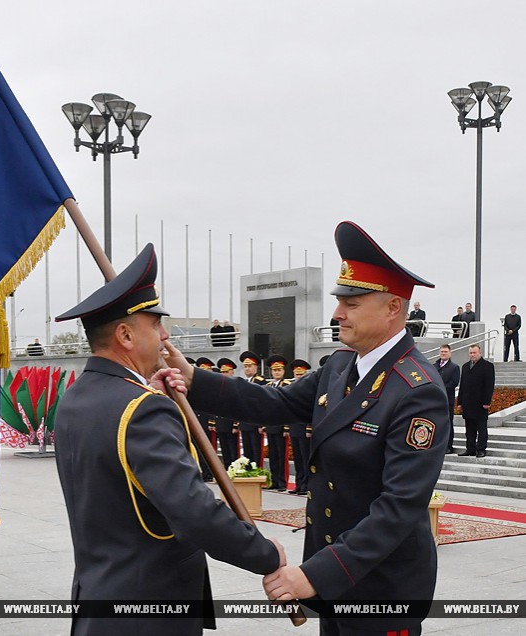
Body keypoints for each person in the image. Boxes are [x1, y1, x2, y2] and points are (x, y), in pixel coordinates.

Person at [166, 221, 449, 636]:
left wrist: (316, 574)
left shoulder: (417, 391)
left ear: (392, 308)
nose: (337, 313)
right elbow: (275, 403)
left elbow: (399, 507)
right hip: (335, 582)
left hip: (381, 589)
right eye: (339, 301)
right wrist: (193, 379)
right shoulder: (339, 366)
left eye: (352, 303)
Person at [53, 244, 283, 636]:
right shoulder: (142, 408)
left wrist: (149, 394)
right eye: (154, 324)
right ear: (125, 334)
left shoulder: (77, 396)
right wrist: (263, 553)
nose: (164, 335)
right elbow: (193, 512)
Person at [458, 343, 495, 458]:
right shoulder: (465, 366)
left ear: (480, 353)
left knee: (481, 428)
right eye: (471, 353)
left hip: (480, 403)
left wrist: (487, 402)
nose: (472, 355)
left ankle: (481, 449)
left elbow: (489, 385)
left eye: (474, 352)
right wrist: (459, 402)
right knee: (469, 428)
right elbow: (462, 385)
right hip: (467, 403)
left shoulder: (487, 366)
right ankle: (470, 449)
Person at [264, 355, 290, 492]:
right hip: (270, 426)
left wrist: (286, 426)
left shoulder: (287, 385)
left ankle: (282, 482)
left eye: (279, 370)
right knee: (273, 455)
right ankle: (274, 480)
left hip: (281, 426)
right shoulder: (268, 386)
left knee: (281, 456)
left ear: (283, 371)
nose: (277, 373)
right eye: (274, 370)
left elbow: (288, 408)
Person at [286, 359, 312, 495]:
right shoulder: (292, 388)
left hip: (304, 429)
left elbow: (313, 410)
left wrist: (309, 428)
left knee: (305, 458)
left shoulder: (310, 389)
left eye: (301, 374)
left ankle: (307, 484)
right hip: (294, 427)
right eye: (297, 374)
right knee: (297, 458)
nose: (298, 377)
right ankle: (299, 484)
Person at [237, 351, 267, 466]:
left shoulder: (260, 382)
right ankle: (249, 472)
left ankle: (258, 472)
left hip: (255, 422)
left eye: (250, 366)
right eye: (245, 366)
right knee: (247, 451)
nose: (247, 369)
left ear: (256, 367)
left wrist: (262, 424)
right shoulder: (243, 382)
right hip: (245, 422)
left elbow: (262, 404)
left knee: (256, 450)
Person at [434, 344, 460, 454]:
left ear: (450, 353)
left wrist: (441, 387)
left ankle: (448, 446)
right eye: (442, 352)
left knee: (448, 423)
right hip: (435, 401)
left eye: (445, 352)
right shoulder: (434, 366)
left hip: (447, 400)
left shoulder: (454, 367)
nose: (443, 354)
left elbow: (454, 382)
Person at [194, 357, 217, 482]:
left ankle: (209, 473)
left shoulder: (212, 387)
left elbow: (214, 407)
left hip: (207, 421)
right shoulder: (197, 387)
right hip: (197, 421)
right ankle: (204, 472)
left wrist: (212, 422)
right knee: (198, 448)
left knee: (208, 448)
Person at [216, 358, 240, 470]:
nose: (225, 374)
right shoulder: (218, 386)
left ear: (232, 371)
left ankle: (234, 470)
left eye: (227, 372)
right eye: (223, 372)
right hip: (221, 423)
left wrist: (236, 424)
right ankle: (226, 470)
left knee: (233, 450)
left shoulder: (236, 386)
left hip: (231, 424)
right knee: (225, 449)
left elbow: (238, 406)